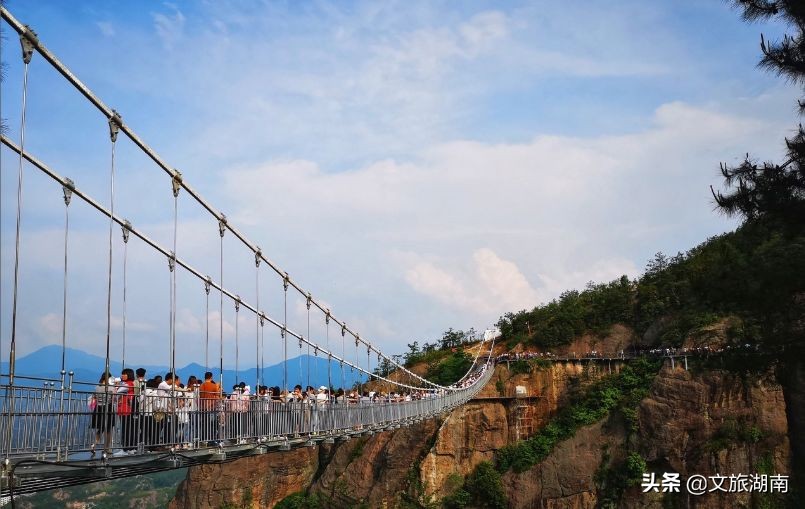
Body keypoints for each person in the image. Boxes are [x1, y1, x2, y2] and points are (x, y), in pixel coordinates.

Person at [89, 372, 115, 456]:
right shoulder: (111, 388)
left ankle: (94, 444)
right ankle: (107, 448)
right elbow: (114, 398)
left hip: (98, 408)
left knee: (101, 428)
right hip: (108, 408)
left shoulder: (97, 387)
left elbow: (95, 397)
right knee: (108, 429)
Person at [115, 368, 136, 454]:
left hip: (125, 409)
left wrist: (116, 385)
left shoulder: (128, 384)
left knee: (125, 429)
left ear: (129, 375)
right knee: (128, 429)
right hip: (126, 409)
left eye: (124, 374)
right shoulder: (127, 384)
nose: (122, 376)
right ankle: (130, 448)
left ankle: (125, 448)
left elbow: (117, 391)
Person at [198, 372, 221, 445]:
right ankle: (211, 440)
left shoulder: (201, 385)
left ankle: (203, 439)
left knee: (204, 424)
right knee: (212, 424)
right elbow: (217, 396)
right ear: (211, 377)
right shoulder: (213, 386)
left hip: (203, 407)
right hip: (211, 407)